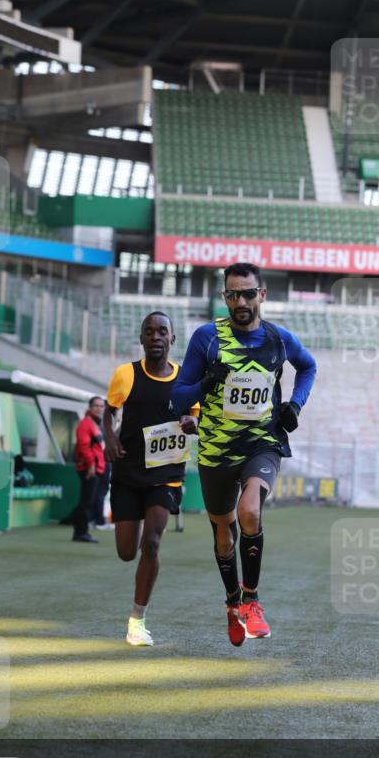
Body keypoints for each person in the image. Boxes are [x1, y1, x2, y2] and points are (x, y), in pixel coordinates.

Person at [171, 262, 316, 646]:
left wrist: (295, 405)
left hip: (261, 443)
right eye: (233, 295)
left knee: (250, 511)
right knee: (224, 536)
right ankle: (233, 602)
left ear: (261, 295)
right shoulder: (207, 338)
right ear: (224, 296)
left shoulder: (279, 339)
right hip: (216, 449)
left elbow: (308, 367)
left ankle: (252, 601)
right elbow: (178, 398)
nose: (241, 302)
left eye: (248, 294)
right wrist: (205, 384)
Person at [103, 311, 199, 647]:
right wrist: (109, 438)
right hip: (129, 472)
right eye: (149, 331)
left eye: (162, 332)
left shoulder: (186, 378)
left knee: (153, 543)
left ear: (172, 339)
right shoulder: (125, 374)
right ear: (141, 338)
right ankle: (139, 535)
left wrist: (192, 422)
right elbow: (109, 410)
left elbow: (196, 415)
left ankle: (137, 621)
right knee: (126, 552)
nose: (156, 337)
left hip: (166, 472)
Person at [71, 396, 106, 543]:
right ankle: (81, 533)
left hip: (96, 467)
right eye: (96, 405)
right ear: (90, 407)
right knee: (86, 501)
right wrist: (91, 465)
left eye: (101, 406)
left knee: (88, 501)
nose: (99, 408)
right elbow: (84, 446)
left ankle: (80, 531)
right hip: (89, 468)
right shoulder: (85, 424)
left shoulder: (94, 424)